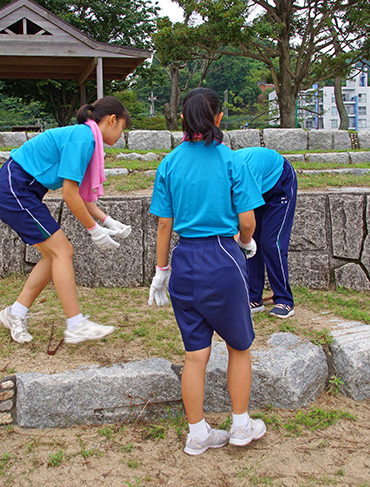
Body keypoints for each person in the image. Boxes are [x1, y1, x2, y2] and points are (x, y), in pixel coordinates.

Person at [148, 88, 266, 456]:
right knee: (239, 346)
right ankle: (241, 425)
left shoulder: (169, 163)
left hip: (184, 260)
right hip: (221, 256)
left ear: (183, 118)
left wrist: (161, 270)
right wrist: (246, 243)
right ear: (218, 118)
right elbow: (247, 221)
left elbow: (164, 226)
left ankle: (197, 432)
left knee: (195, 354)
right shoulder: (231, 160)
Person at [0, 96, 132, 345]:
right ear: (112, 120)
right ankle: (75, 323)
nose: (121, 134)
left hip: (22, 189)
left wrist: (107, 221)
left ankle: (16, 312)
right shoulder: (83, 138)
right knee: (63, 250)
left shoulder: (84, 136)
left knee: (53, 255)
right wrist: (93, 230)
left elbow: (77, 193)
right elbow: (69, 194)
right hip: (15, 189)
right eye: (122, 127)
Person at [236, 147, 297, 318]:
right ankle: (254, 297)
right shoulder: (220, 177)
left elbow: (243, 213)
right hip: (258, 187)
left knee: (271, 243)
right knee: (250, 241)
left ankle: (284, 300)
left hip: (279, 183)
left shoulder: (245, 171)